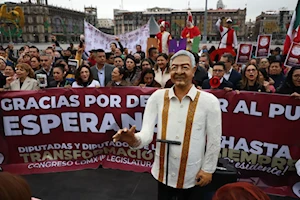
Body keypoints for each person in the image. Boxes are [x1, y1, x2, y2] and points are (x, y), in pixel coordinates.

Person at [113, 50, 222, 200]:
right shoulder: (157, 97)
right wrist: (133, 139)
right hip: (163, 171)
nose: (179, 72)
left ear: (194, 70)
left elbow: (214, 140)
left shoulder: (209, 101)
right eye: (175, 67)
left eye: (185, 67)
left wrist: (208, 169)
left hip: (193, 174)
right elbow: (146, 135)